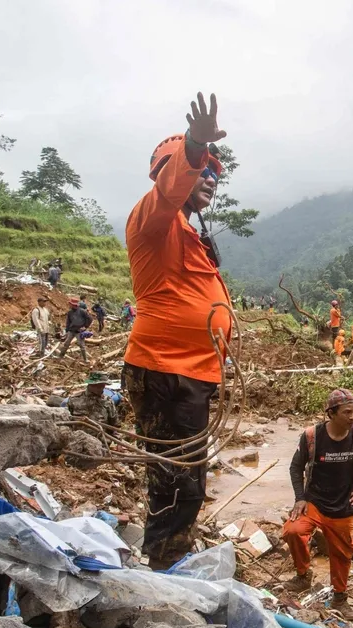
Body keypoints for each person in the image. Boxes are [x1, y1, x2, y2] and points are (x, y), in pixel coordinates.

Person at [121, 92, 234, 569]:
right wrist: (194, 145)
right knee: (176, 483)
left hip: (191, 373)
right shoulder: (152, 220)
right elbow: (170, 189)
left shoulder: (189, 232)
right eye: (200, 170)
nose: (209, 178)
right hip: (166, 370)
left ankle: (167, 562)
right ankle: (164, 573)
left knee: (184, 479)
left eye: (213, 173)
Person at [281, 389, 353, 605]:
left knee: (343, 553)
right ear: (331, 414)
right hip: (314, 502)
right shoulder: (312, 436)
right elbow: (295, 467)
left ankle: (340, 595)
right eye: (347, 412)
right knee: (292, 531)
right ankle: (303, 575)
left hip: (344, 505)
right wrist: (300, 498)